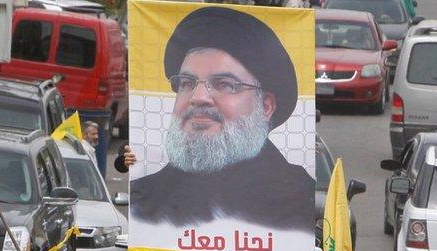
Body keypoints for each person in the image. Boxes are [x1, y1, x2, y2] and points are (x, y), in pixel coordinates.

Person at [129, 6, 315, 231]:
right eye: (187, 83)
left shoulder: (299, 199)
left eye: (224, 84)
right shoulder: (148, 199)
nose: (198, 98)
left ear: (266, 106)